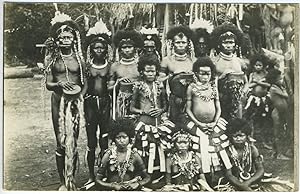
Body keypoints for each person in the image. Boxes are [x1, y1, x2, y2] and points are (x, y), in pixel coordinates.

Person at [44, 12, 87, 190]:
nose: (66, 40)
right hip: (58, 102)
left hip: (75, 103)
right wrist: (58, 84)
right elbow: (48, 84)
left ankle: (72, 180)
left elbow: (85, 83)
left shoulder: (79, 59)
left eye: (69, 37)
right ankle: (63, 182)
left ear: (74, 38)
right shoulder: (51, 59)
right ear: (57, 40)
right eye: (62, 38)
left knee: (73, 141)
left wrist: (81, 96)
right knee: (61, 141)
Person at [130, 53, 174, 189]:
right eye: (147, 71)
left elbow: (166, 105)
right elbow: (131, 108)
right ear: (142, 71)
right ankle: (144, 175)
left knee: (160, 148)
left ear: (156, 71)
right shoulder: (138, 86)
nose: (150, 73)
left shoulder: (160, 85)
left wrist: (160, 111)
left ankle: (159, 176)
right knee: (145, 148)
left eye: (153, 71)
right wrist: (144, 112)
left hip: (158, 122)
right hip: (144, 122)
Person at [185, 57, 232, 180]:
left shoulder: (213, 87)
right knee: (199, 147)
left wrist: (215, 122)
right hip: (196, 124)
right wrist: (198, 123)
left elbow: (218, 107)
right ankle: (201, 175)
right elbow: (188, 109)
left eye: (208, 73)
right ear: (196, 73)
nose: (205, 77)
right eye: (202, 73)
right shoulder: (192, 87)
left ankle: (218, 174)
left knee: (216, 146)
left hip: (214, 124)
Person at [82, 19, 112, 189]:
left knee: (104, 140)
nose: (99, 51)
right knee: (91, 141)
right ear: (91, 49)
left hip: (106, 104)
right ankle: (91, 176)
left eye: (102, 48)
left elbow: (113, 84)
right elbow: (85, 86)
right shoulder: (87, 66)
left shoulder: (110, 67)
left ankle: (104, 174)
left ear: (106, 49)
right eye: (96, 48)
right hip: (90, 105)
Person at [95, 118, 151, 191]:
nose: (121, 141)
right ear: (114, 139)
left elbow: (147, 177)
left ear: (129, 138)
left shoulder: (135, 155)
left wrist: (138, 184)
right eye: (118, 138)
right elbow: (98, 179)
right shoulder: (108, 155)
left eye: (124, 137)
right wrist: (112, 185)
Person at [210, 22, 249, 121]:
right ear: (219, 44)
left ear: (235, 45)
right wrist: (222, 77)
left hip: (239, 100)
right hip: (221, 99)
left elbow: (246, 81)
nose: (228, 45)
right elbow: (210, 82)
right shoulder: (214, 62)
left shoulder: (241, 62)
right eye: (225, 42)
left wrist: (244, 92)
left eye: (231, 42)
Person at [160, 25, 195, 125]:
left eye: (183, 42)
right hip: (174, 100)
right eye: (178, 42)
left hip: (191, 99)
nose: (180, 45)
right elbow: (159, 80)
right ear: (173, 44)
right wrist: (171, 76)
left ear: (188, 44)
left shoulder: (193, 60)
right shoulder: (166, 61)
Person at [108, 28, 144, 119]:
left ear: (135, 48)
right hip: (121, 102)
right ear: (120, 50)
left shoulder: (140, 64)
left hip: (138, 101)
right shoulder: (115, 66)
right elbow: (109, 87)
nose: (127, 50)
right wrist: (118, 83)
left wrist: (136, 84)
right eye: (124, 47)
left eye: (130, 47)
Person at [224, 118, 264, 191]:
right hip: (233, 184)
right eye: (235, 136)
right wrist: (242, 185)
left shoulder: (252, 149)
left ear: (247, 135)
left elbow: (260, 169)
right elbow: (228, 175)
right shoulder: (226, 152)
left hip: (251, 181)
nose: (238, 139)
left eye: (241, 135)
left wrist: (248, 183)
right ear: (230, 137)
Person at [243, 54, 272, 149]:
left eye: (260, 65)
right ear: (253, 66)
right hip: (254, 100)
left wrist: (258, 82)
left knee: (264, 120)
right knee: (253, 119)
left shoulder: (266, 74)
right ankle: (251, 139)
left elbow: (268, 85)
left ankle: (265, 141)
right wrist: (255, 83)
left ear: (263, 65)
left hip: (264, 100)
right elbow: (249, 85)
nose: (258, 67)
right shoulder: (252, 75)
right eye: (256, 65)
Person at [265, 68, 292, 160]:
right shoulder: (274, 88)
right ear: (274, 80)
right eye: (280, 79)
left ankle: (275, 152)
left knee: (279, 132)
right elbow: (286, 95)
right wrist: (285, 89)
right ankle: (279, 154)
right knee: (277, 133)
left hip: (281, 113)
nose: (282, 80)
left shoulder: (278, 87)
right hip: (277, 113)